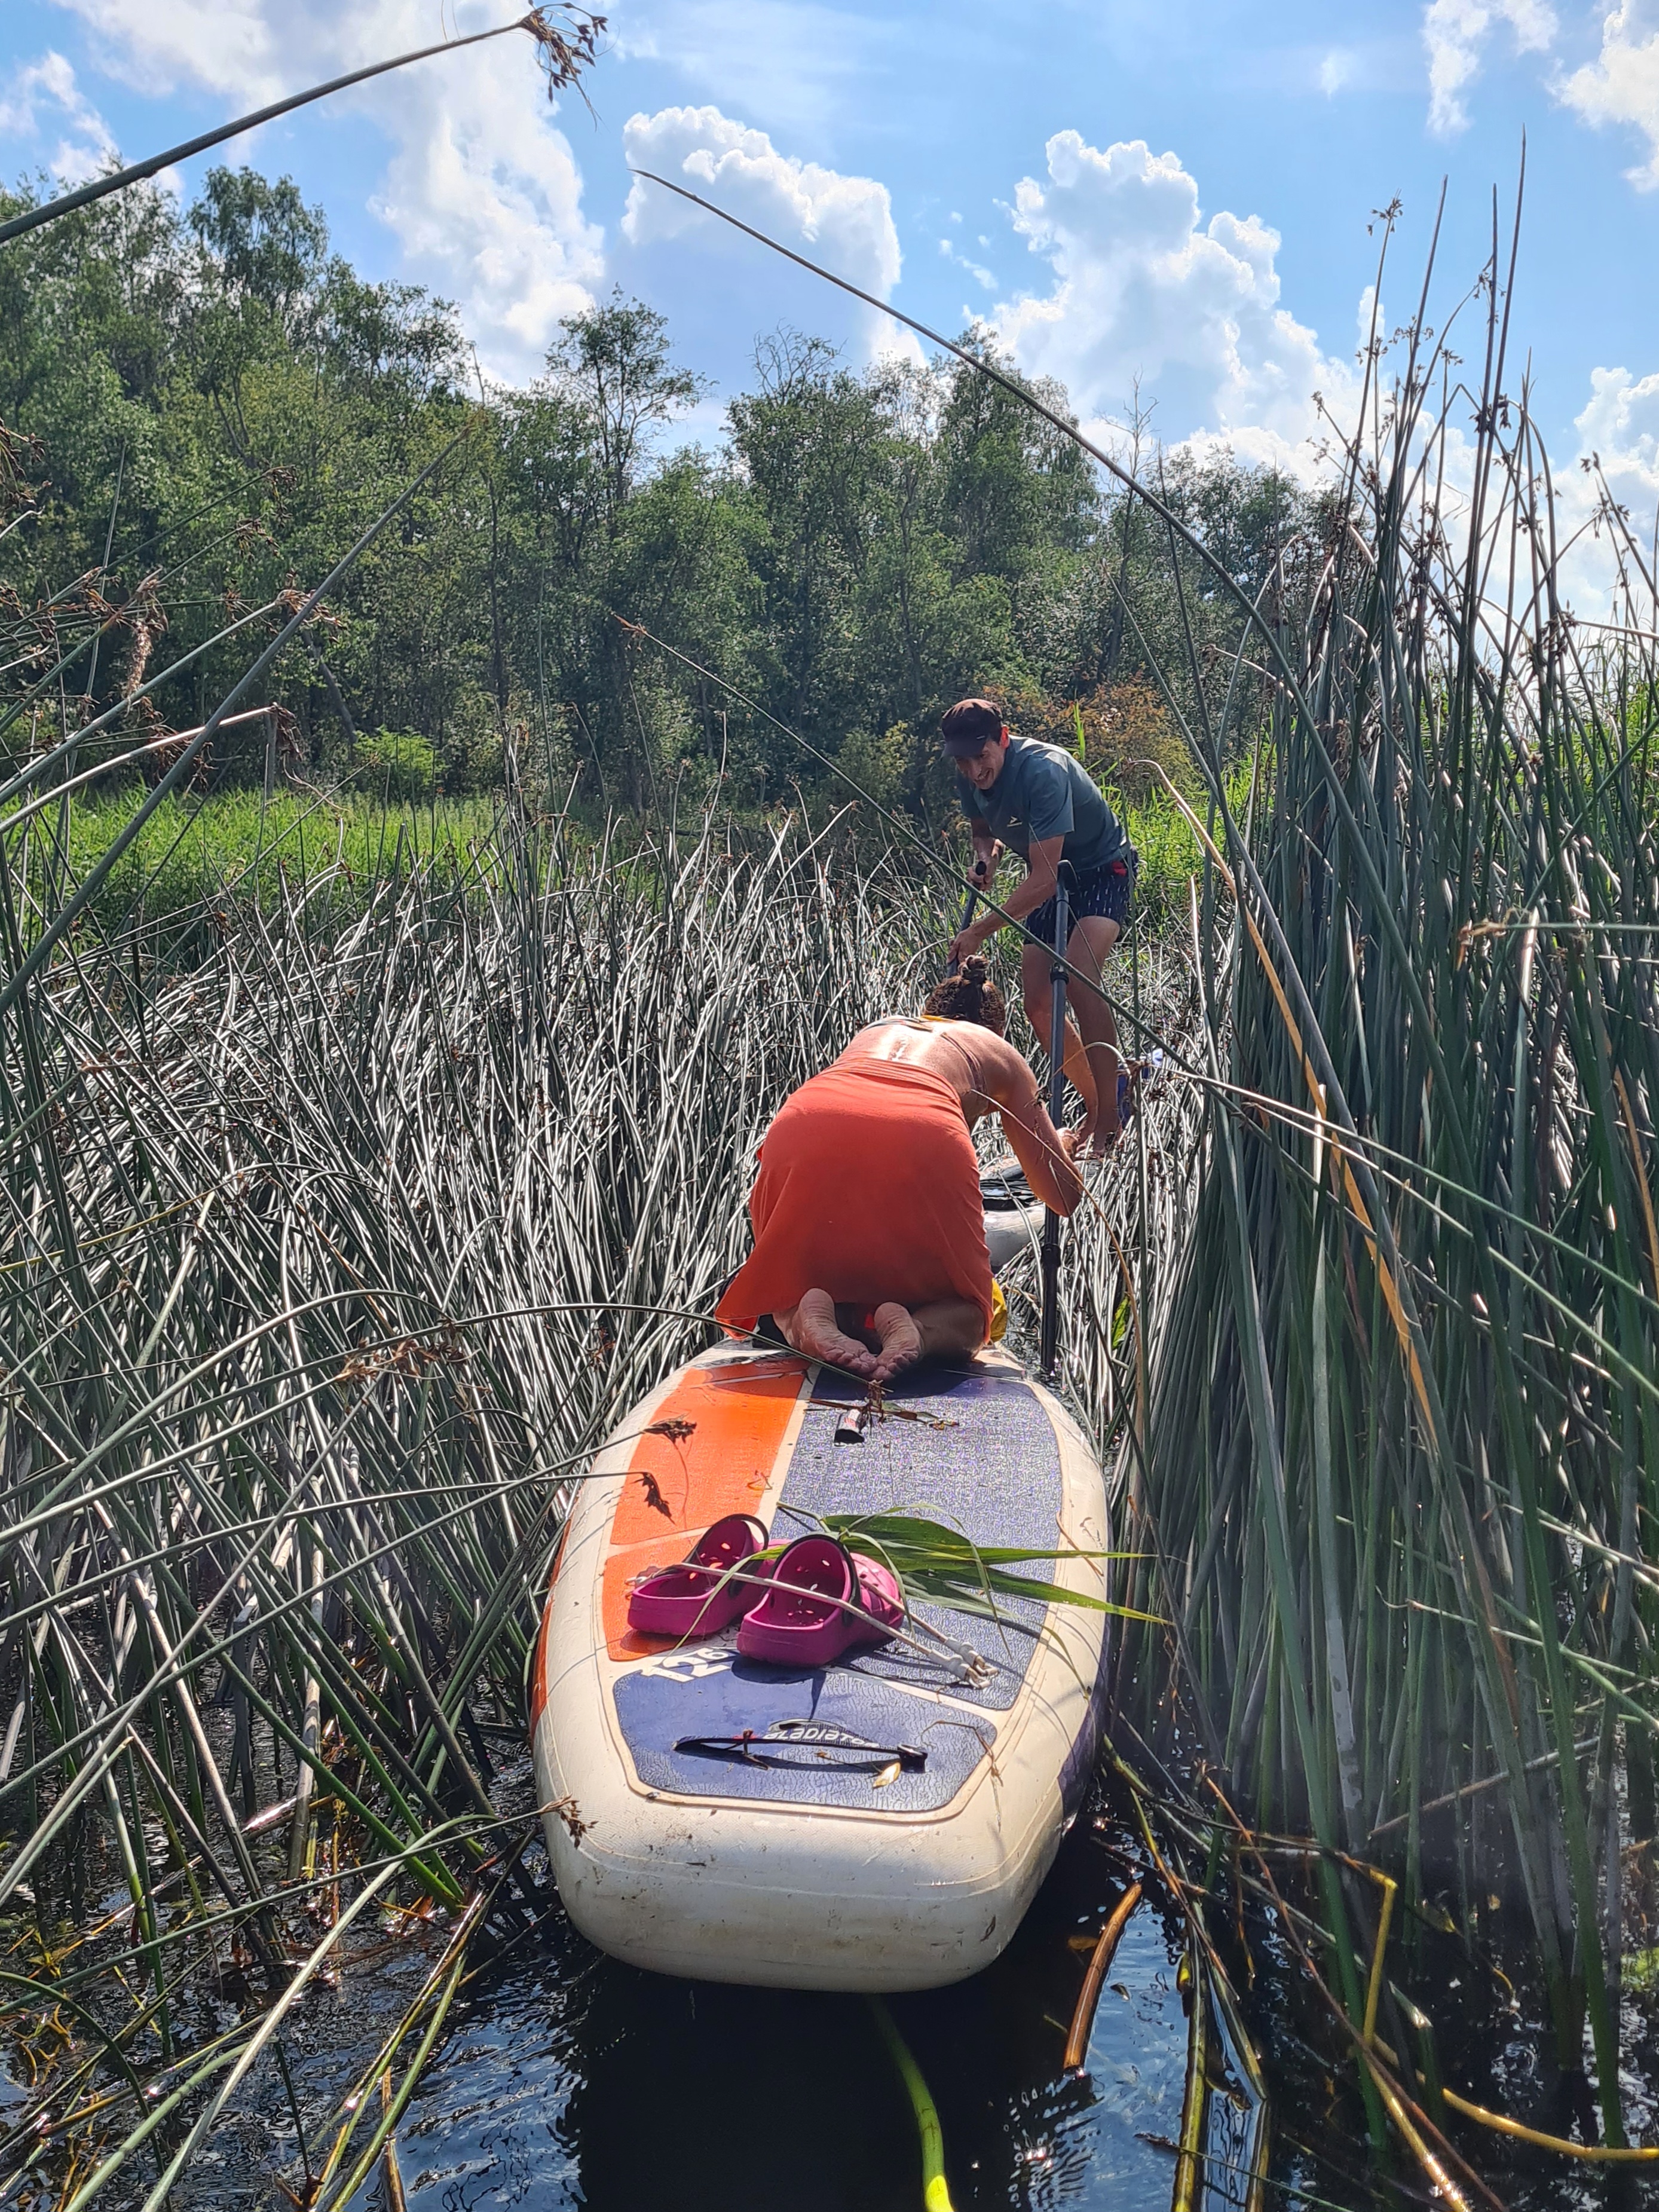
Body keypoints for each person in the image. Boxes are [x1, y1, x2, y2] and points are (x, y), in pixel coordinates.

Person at [714, 957, 1082, 1384]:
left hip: (806, 1118)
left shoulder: (878, 1028)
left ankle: (800, 1318)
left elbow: (866, 1135)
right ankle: (916, 1330)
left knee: (787, 1279)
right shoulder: (1000, 1052)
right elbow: (1063, 1195)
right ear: (996, 1030)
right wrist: (1063, 1146)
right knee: (973, 1313)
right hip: (926, 1129)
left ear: (928, 1012)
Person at [941, 697, 1136, 1157]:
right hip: (1048, 876)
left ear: (1003, 738)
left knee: (1081, 976)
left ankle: (1111, 1121)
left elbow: (1046, 878)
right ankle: (1103, 1100)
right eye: (964, 761)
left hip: (1101, 871)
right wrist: (985, 857)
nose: (974, 770)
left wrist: (979, 931)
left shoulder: (1044, 771)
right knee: (1039, 1003)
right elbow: (982, 829)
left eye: (981, 756)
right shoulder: (969, 773)